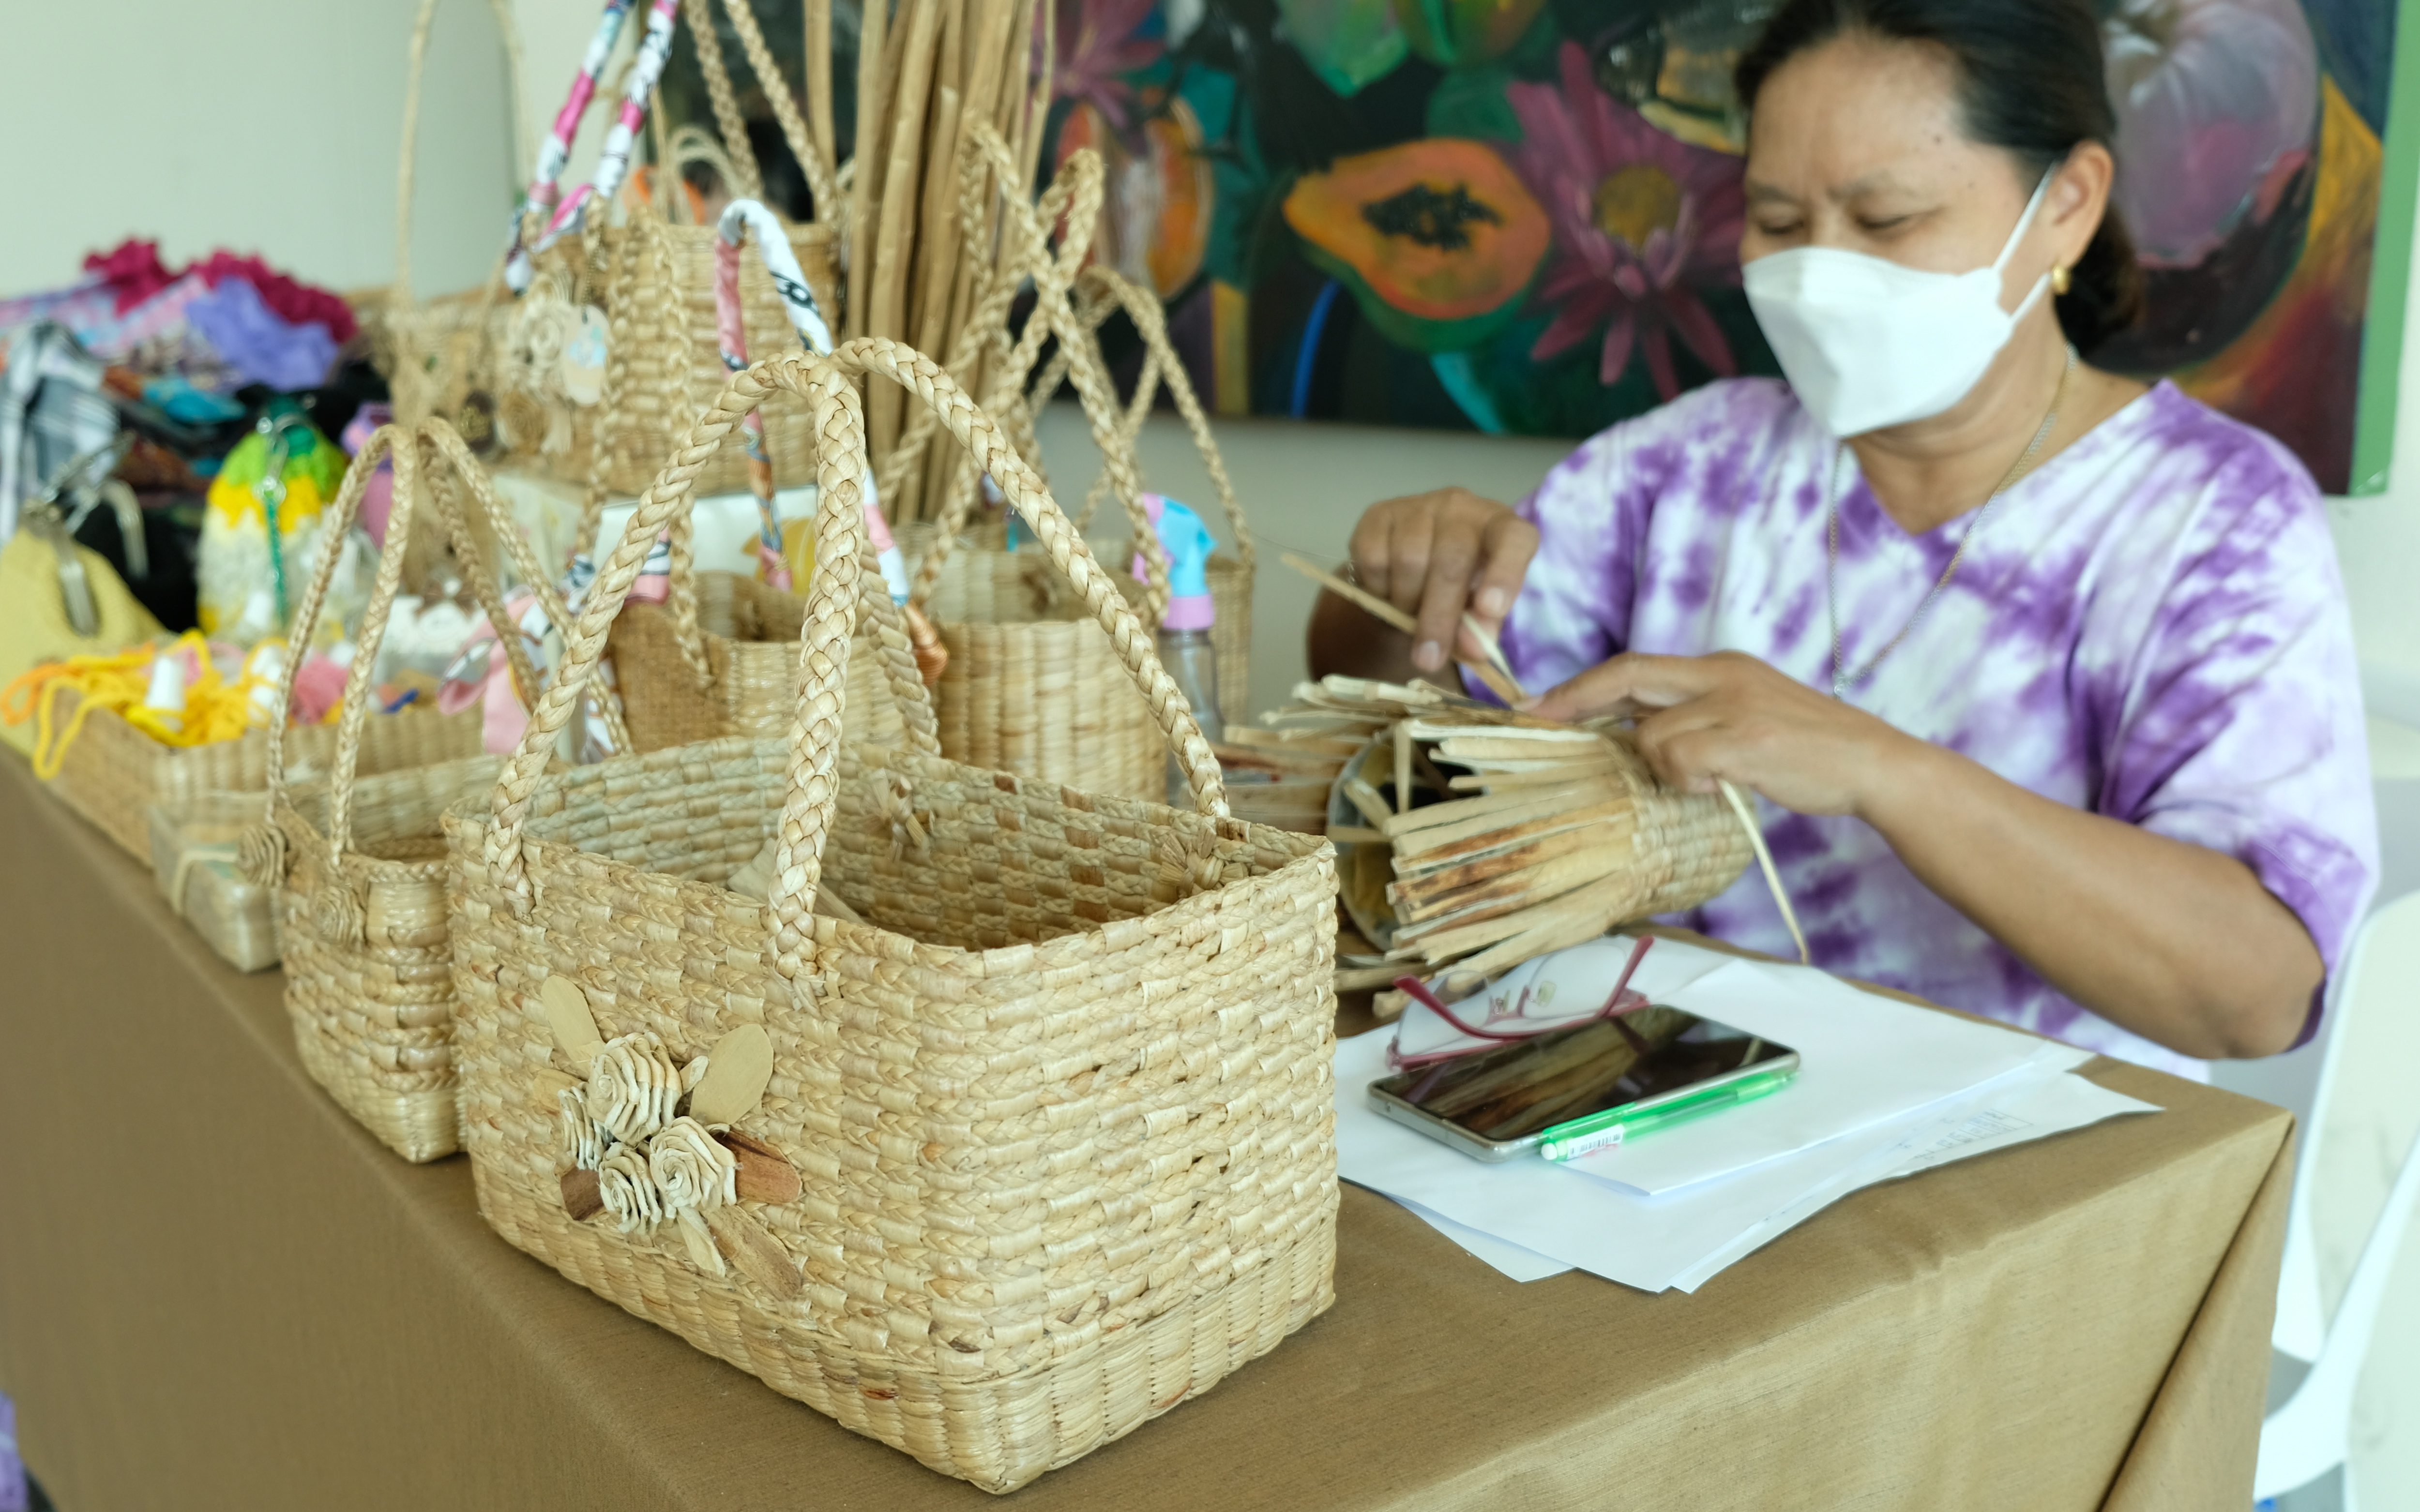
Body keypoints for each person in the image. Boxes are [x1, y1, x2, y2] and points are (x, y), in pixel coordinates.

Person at [1308, 0, 2377, 1078]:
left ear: (2067, 203)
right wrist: (1395, 579)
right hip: (1640, 1121)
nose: (1818, 272)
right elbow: (1413, 711)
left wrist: (1881, 772)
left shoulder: (2214, 519)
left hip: (2021, 1176)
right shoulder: (1680, 467)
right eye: (1775, 219)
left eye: (1887, 219)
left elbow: (2256, 995)